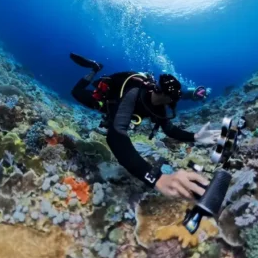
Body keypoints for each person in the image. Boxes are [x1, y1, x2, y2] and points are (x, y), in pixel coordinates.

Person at [69, 54, 216, 200]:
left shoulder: (159, 106)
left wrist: (194, 137)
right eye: (174, 99)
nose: (173, 103)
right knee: (76, 92)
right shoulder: (133, 93)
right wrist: (156, 178)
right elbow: (115, 136)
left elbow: (169, 130)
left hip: (118, 108)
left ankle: (95, 69)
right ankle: (95, 69)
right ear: (164, 95)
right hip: (106, 101)